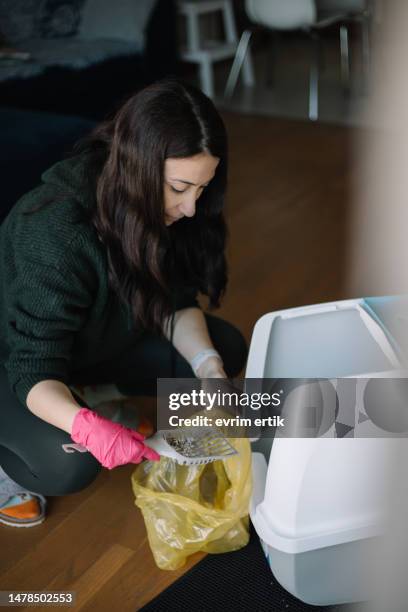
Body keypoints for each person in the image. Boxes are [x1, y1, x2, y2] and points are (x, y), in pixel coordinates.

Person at [0, 78, 247, 527]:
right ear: (137, 166)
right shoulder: (54, 231)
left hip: (86, 342)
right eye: (180, 188)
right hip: (14, 361)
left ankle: (87, 393)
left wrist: (209, 367)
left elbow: (175, 299)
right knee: (68, 465)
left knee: (224, 347)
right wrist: (86, 427)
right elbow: (33, 366)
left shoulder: (169, 206)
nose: (192, 208)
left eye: (202, 188)